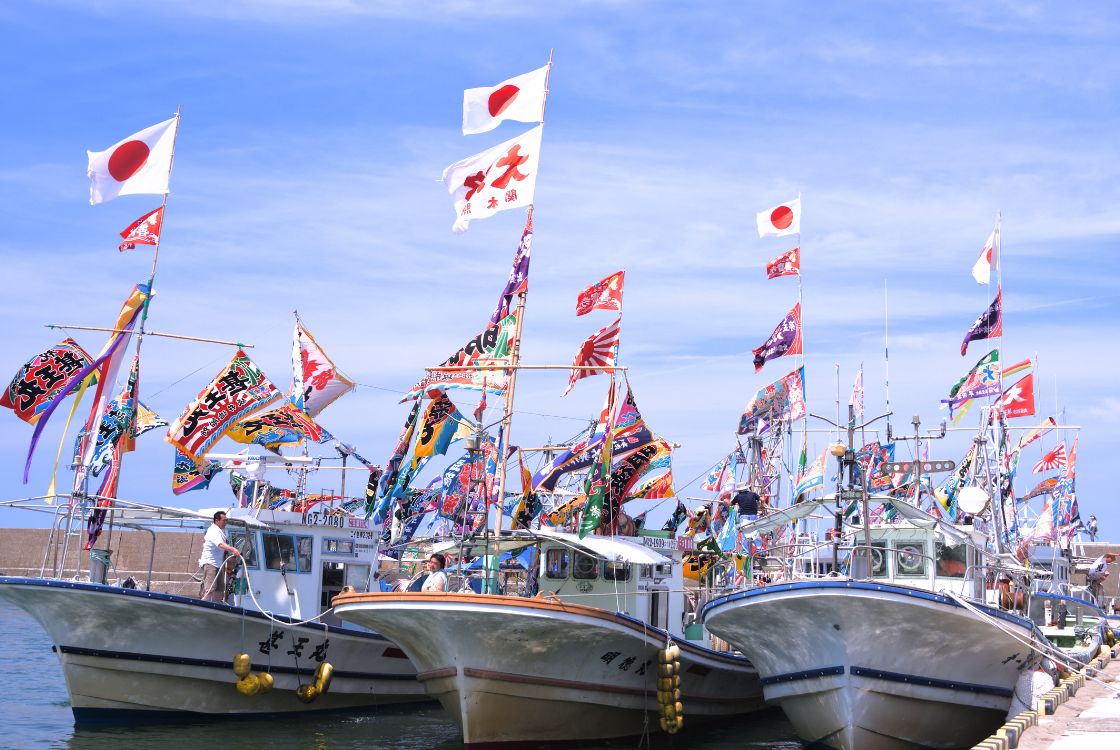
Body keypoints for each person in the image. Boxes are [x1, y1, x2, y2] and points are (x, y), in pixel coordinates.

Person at [199, 511, 241, 602]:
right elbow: (220, 544)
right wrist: (233, 549)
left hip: (218, 564)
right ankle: (201, 606)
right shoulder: (213, 530)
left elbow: (223, 548)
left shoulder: (221, 531)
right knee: (210, 589)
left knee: (219, 591)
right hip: (211, 564)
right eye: (224, 520)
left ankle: (216, 608)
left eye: (226, 520)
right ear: (217, 521)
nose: (225, 522)